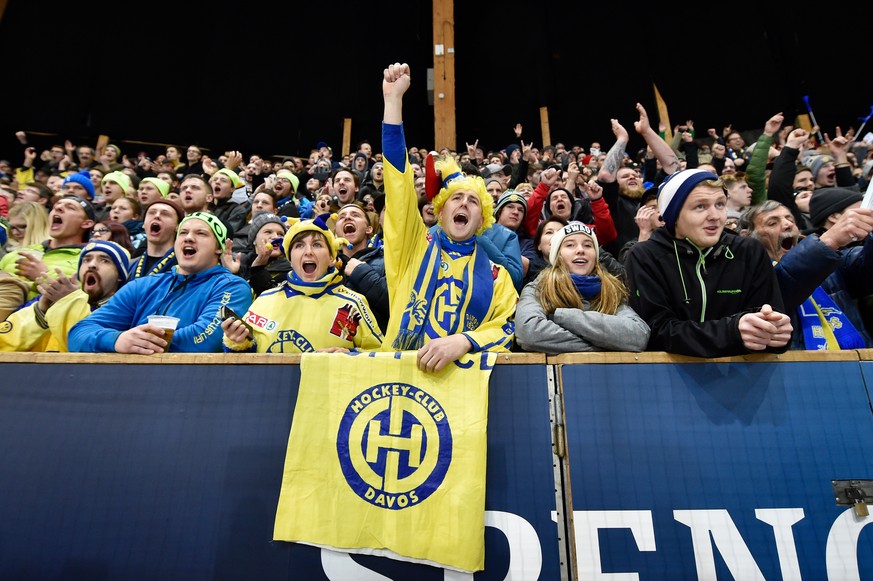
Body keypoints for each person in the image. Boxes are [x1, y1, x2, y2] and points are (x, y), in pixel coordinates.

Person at [381, 62, 517, 372]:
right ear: (441, 212)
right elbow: (398, 183)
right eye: (456, 198)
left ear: (481, 219)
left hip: (461, 393)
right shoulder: (411, 247)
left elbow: (508, 325)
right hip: (395, 379)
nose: (465, 205)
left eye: (473, 202)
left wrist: (466, 341)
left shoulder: (498, 277)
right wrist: (393, 102)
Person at [624, 168, 793, 357]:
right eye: (700, 206)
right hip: (670, 378)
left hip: (745, 377)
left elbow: (768, 317)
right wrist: (731, 332)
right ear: (673, 215)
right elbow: (657, 332)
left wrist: (776, 333)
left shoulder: (749, 251)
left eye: (720, 204)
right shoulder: (644, 256)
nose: (715, 215)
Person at [68, 212, 252, 353]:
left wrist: (142, 343)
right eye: (183, 233)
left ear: (219, 248)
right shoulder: (142, 285)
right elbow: (78, 334)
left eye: (201, 233)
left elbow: (205, 340)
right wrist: (117, 340)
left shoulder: (232, 286)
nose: (188, 237)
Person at [221, 214, 382, 353]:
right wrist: (237, 342)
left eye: (317, 245)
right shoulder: (264, 300)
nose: (308, 251)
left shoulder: (353, 303)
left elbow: (380, 355)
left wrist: (351, 354)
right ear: (291, 259)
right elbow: (247, 361)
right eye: (299, 245)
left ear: (332, 258)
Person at [742, 199, 873, 350]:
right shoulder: (743, 275)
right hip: (797, 371)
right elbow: (781, 284)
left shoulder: (830, 264)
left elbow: (868, 268)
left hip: (859, 366)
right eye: (772, 223)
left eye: (790, 219)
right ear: (748, 237)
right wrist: (829, 240)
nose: (787, 225)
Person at [515, 221, 650, 353]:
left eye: (587, 245)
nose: (580, 250)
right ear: (558, 255)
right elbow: (529, 333)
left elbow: (638, 335)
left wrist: (564, 316)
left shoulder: (611, 290)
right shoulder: (538, 288)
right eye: (570, 245)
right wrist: (610, 344)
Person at [0, 240, 130, 352]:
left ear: (119, 276)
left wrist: (70, 301)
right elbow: (5, 343)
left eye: (105, 260)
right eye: (86, 260)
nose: (92, 265)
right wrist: (41, 311)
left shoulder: (125, 309)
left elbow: (83, 346)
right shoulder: (46, 301)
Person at [0, 195, 96, 318]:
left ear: (86, 223)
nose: (59, 208)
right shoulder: (19, 253)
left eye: (70, 207)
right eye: (56, 206)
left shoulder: (90, 259)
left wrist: (42, 275)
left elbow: (82, 299)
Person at [335, 202, 389, 333]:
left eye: (355, 215)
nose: (347, 217)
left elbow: (395, 304)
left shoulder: (386, 260)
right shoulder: (326, 266)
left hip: (375, 348)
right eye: (342, 217)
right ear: (335, 234)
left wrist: (361, 273)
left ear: (368, 229)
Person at [126, 199, 184, 279]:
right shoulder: (129, 265)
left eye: (165, 214)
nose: (157, 216)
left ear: (177, 226)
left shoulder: (184, 266)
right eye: (152, 212)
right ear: (143, 224)